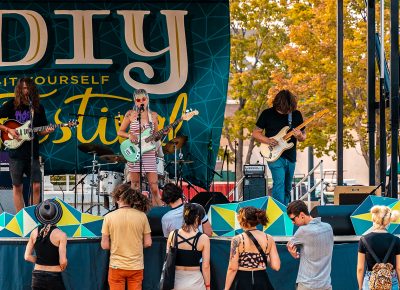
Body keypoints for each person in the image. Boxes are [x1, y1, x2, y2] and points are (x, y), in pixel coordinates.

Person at [0, 78, 53, 212]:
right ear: (19, 89)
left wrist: (46, 131)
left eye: (28, 88)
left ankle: (34, 215)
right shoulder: (11, 105)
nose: (26, 91)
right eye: (23, 88)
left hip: (32, 153)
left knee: (36, 186)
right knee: (17, 186)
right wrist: (8, 130)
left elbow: (40, 130)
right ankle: (21, 218)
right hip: (16, 153)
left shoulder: (38, 107)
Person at [252, 90, 306, 205]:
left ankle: (285, 210)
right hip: (274, 156)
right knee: (279, 183)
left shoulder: (296, 114)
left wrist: (300, 135)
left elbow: (303, 137)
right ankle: (278, 211)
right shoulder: (267, 114)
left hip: (290, 156)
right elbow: (255, 133)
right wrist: (268, 140)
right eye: (283, 109)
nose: (286, 111)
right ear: (277, 104)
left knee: (287, 187)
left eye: (288, 109)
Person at [101, 183, 152, 290]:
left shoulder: (109, 217)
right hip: (136, 266)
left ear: (117, 198)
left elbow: (104, 245)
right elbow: (148, 243)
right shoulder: (142, 216)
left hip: (116, 266)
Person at [117, 88, 163, 206]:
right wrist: (129, 134)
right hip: (134, 153)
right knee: (135, 185)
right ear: (135, 101)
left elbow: (156, 136)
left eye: (143, 99)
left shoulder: (153, 116)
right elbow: (120, 132)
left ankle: (157, 211)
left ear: (147, 99)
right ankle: (135, 210)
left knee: (154, 186)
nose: (141, 101)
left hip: (149, 153)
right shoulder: (130, 114)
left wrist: (161, 135)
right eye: (138, 100)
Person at [224, 206, 280, 290]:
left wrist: (226, 288)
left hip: (242, 280)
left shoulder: (237, 239)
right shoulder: (269, 238)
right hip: (262, 280)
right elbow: (276, 266)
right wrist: (261, 258)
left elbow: (232, 268)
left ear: (243, 220)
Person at [286, 200, 333, 290]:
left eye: (293, 219)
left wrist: (293, 253)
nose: (292, 222)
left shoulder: (303, 231)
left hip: (307, 285)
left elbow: (289, 245)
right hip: (326, 284)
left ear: (302, 215)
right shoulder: (328, 227)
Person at [24, 199, 68, 290]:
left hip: (37, 276)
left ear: (41, 215)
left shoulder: (34, 232)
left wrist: (42, 260)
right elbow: (63, 261)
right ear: (57, 215)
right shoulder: (61, 235)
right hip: (54, 276)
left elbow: (27, 256)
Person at [166, 203, 211, 290]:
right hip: (196, 283)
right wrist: (208, 286)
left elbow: (168, 259)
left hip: (176, 282)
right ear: (197, 218)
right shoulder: (203, 238)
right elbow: (206, 266)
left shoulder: (173, 234)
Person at [357, 205, 400, 290]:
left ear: (374, 220)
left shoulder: (364, 240)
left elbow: (360, 268)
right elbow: (399, 267)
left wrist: (360, 287)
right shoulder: (396, 240)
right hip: (391, 281)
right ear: (388, 222)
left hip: (370, 282)